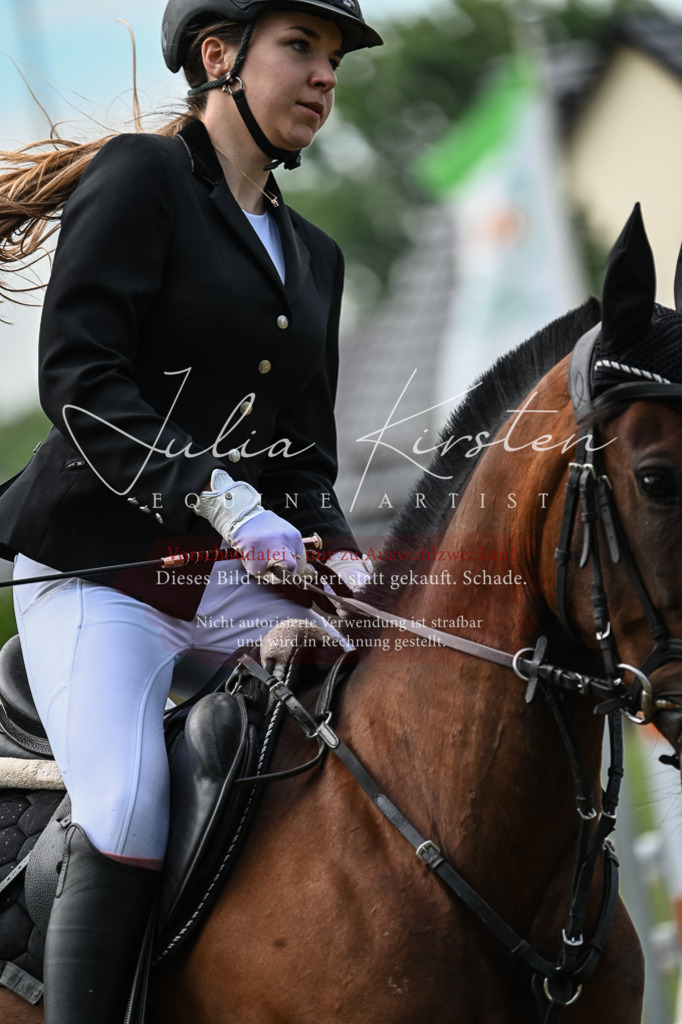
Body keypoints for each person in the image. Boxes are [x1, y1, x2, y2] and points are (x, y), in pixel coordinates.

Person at [0, 1, 382, 1020]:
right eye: (300, 47)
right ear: (218, 57)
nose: (324, 76)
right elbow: (80, 379)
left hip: (225, 583)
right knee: (125, 808)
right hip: (98, 572)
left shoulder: (317, 257)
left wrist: (337, 556)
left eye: (333, 58)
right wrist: (219, 499)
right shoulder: (141, 177)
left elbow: (303, 453)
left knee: (391, 706)